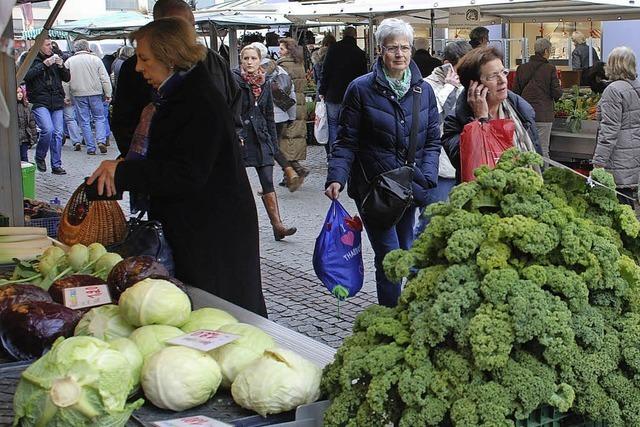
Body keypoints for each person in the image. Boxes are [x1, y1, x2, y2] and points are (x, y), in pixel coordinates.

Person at [88, 17, 267, 317]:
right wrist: (124, 166)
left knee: (223, 312)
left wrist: (124, 174)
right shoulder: (178, 94)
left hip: (213, 232)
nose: (138, 68)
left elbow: (186, 173)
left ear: (169, 57)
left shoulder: (197, 101)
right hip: (197, 225)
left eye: (145, 59)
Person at [324, 18, 442, 307]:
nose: (399, 54)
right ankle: (390, 316)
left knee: (405, 250)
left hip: (409, 187)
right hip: (375, 189)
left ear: (412, 50)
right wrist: (336, 176)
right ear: (380, 50)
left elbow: (432, 140)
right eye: (392, 48)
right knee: (390, 257)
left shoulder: (422, 90)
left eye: (404, 47)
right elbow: (346, 140)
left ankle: (401, 310)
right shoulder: (360, 89)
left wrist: (426, 177)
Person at [111, 0, 239, 158]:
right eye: (179, 27)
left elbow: (233, 106)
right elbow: (123, 120)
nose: (190, 33)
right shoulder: (134, 70)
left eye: (192, 26)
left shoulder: (210, 71)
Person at [442, 46, 542, 181]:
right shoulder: (455, 121)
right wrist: (480, 120)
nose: (503, 80)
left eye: (503, 72)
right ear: (475, 86)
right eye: (493, 76)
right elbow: (466, 163)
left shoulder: (521, 112)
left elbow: (538, 158)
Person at [234, 45, 297, 241]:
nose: (250, 62)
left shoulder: (266, 82)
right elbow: (230, 109)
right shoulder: (235, 81)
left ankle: (277, 225)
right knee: (238, 184)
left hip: (260, 137)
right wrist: (236, 133)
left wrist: (272, 141)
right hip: (242, 137)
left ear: (259, 60)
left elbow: (269, 113)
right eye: (246, 58)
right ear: (241, 60)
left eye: (253, 58)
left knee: (268, 180)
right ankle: (237, 225)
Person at [416, 40, 473, 235]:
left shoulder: (466, 85)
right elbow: (432, 121)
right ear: (447, 64)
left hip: (461, 163)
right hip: (439, 168)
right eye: (462, 67)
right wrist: (448, 89)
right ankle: (416, 265)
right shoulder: (425, 86)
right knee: (430, 221)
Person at [251, 42, 302, 191]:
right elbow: (290, 94)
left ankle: (284, 175)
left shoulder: (255, 71)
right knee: (273, 148)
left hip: (264, 117)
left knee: (268, 150)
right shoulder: (279, 69)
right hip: (281, 116)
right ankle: (288, 172)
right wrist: (291, 116)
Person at [592, 46, 640, 207]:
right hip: (634, 154)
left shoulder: (613, 90)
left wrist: (598, 162)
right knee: (629, 203)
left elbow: (609, 130)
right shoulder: (637, 85)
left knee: (620, 206)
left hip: (619, 156)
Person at [23, 36, 70, 175]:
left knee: (58, 133)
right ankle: (40, 156)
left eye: (51, 44)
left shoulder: (56, 55)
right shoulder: (29, 57)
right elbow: (26, 76)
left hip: (56, 99)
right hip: (39, 100)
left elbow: (67, 77)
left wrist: (61, 65)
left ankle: (56, 164)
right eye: (47, 45)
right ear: (38, 46)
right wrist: (44, 65)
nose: (50, 47)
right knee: (47, 130)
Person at [513, 37, 563, 159]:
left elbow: (515, 92)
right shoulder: (550, 68)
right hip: (543, 115)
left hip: (525, 114)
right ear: (546, 51)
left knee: (526, 148)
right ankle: (541, 176)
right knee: (543, 148)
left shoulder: (521, 68)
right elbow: (556, 92)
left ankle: (527, 174)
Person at [319, 26, 368, 150]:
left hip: (333, 94)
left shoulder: (333, 49)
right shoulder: (359, 53)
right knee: (350, 126)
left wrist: (322, 90)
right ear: (355, 36)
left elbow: (325, 71)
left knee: (333, 125)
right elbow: (363, 76)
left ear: (343, 35)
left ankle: (333, 153)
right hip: (352, 96)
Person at [64, 39, 112, 155]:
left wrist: (67, 95)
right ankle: (101, 140)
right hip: (95, 93)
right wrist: (108, 93)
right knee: (99, 118)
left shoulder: (69, 62)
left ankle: (90, 147)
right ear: (87, 47)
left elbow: (65, 81)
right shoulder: (96, 60)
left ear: (76, 49)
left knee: (84, 121)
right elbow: (104, 78)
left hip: (78, 94)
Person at [277, 37, 309, 184]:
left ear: (288, 50)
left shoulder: (283, 65)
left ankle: (298, 169)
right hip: (300, 103)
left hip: (288, 104)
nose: (279, 51)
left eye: (282, 48)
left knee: (286, 140)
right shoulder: (299, 64)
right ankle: (288, 176)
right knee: (290, 139)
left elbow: (282, 88)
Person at [16, 86, 37, 163]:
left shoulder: (27, 106)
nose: (20, 94)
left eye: (21, 92)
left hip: (25, 137)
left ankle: (25, 174)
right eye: (17, 92)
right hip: (15, 138)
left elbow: (32, 123)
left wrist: (33, 138)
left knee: (24, 157)